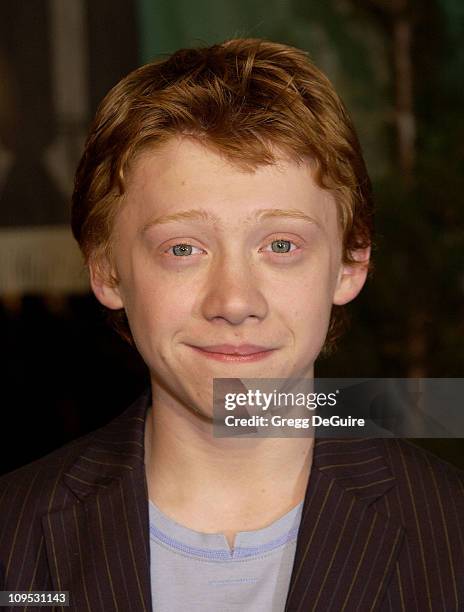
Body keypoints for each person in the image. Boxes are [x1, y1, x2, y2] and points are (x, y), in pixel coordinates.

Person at [0, 38, 462, 612]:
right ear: (107, 270)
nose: (235, 301)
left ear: (351, 263)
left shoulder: (451, 533)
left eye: (282, 244)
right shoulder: (12, 539)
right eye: (184, 248)